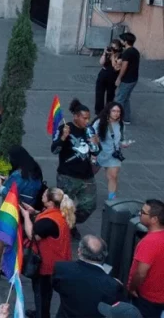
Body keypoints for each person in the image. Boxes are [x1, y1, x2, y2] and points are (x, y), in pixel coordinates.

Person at [21, 187, 76, 318]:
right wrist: (34, 212)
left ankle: (41, 314)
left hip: (46, 265)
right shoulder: (59, 214)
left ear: (50, 203)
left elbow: (32, 235)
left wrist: (26, 217)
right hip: (58, 261)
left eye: (45, 195)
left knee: (41, 293)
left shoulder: (48, 222)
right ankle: (40, 312)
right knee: (46, 293)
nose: (42, 195)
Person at [52, 99, 100, 233]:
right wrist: (63, 138)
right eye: (84, 118)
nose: (87, 121)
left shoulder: (89, 130)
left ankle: (71, 221)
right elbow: (54, 150)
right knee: (65, 205)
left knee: (89, 205)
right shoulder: (65, 128)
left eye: (88, 118)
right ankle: (64, 226)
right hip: (68, 176)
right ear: (76, 117)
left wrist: (95, 143)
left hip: (87, 176)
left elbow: (96, 151)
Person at [52, 235, 125, 318]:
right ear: (104, 255)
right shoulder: (112, 285)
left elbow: (56, 285)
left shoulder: (61, 269)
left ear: (79, 251)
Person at [128, 198, 164, 317]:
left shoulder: (149, 242)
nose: (139, 214)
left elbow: (141, 273)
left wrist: (132, 288)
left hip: (147, 299)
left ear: (154, 219)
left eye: (143, 212)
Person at [92, 102, 127, 201]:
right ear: (108, 111)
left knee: (113, 176)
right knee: (88, 175)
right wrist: (93, 149)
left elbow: (121, 139)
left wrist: (123, 143)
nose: (116, 113)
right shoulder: (99, 122)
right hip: (99, 154)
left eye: (118, 111)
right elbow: (91, 135)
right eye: (114, 111)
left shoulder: (121, 124)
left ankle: (112, 199)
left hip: (113, 155)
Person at [113, 32, 139, 124]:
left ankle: (116, 119)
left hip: (127, 80)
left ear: (125, 41)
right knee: (126, 99)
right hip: (133, 79)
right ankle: (126, 119)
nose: (120, 41)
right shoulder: (135, 51)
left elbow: (124, 66)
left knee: (119, 99)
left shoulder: (127, 52)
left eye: (121, 40)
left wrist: (119, 78)